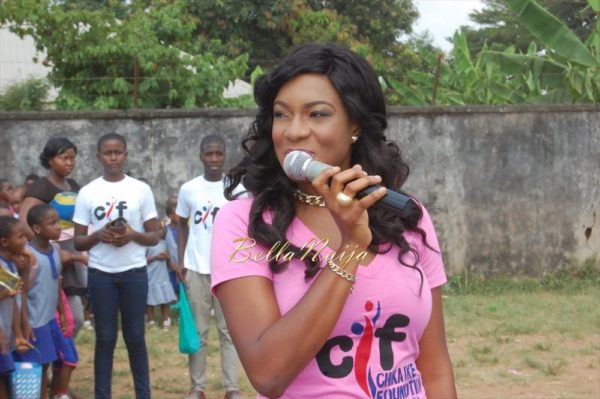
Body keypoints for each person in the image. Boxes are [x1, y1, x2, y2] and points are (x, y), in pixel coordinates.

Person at [210, 43, 457, 399]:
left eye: (317, 114)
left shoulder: (404, 217)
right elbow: (267, 372)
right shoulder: (242, 224)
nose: (293, 131)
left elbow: (434, 369)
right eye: (282, 114)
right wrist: (350, 250)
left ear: (355, 124)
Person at [73, 132, 159, 399]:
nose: (113, 158)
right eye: (108, 153)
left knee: (135, 338)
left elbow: (154, 236)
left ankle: (143, 394)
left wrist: (131, 235)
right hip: (101, 275)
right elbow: (78, 241)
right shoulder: (88, 192)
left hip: (134, 272)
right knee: (105, 340)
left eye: (118, 152)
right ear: (99, 156)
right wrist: (100, 235)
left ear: (126, 154)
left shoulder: (140, 189)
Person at [176, 134, 244, 399]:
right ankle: (198, 387)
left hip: (228, 271)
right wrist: (180, 260)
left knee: (229, 332)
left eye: (218, 153)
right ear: (201, 157)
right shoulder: (189, 189)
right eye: (209, 154)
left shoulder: (236, 187)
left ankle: (232, 387)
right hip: (196, 268)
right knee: (199, 333)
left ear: (225, 155)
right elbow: (180, 224)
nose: (214, 159)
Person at [19, 137, 88, 340]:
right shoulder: (41, 187)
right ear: (50, 160)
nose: (69, 163)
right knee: (50, 310)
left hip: (73, 254)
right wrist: (49, 251)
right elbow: (24, 222)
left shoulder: (74, 185)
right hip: (50, 258)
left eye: (72, 158)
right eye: (64, 158)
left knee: (75, 316)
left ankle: (63, 354)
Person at [14, 204, 78, 399]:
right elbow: (21, 292)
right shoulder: (28, 256)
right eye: (52, 223)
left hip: (50, 319)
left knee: (52, 361)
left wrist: (61, 313)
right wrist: (25, 323)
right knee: (39, 366)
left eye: (58, 222)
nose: (59, 227)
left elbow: (57, 281)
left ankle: (56, 394)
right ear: (36, 229)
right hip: (35, 321)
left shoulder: (55, 249)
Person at [0, 216, 33, 398]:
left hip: (6, 332)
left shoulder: (10, 265)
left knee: (5, 377)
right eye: (20, 236)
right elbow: (7, 295)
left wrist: (18, 334)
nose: (25, 240)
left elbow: (13, 300)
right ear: (4, 241)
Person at [145, 221, 176, 330]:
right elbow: (142, 261)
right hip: (150, 277)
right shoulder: (146, 245)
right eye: (156, 230)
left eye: (160, 230)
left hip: (162, 277)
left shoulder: (164, 243)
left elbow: (170, 262)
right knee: (149, 301)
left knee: (165, 300)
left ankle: (166, 320)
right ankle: (151, 321)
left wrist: (167, 258)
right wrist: (155, 258)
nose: (159, 232)